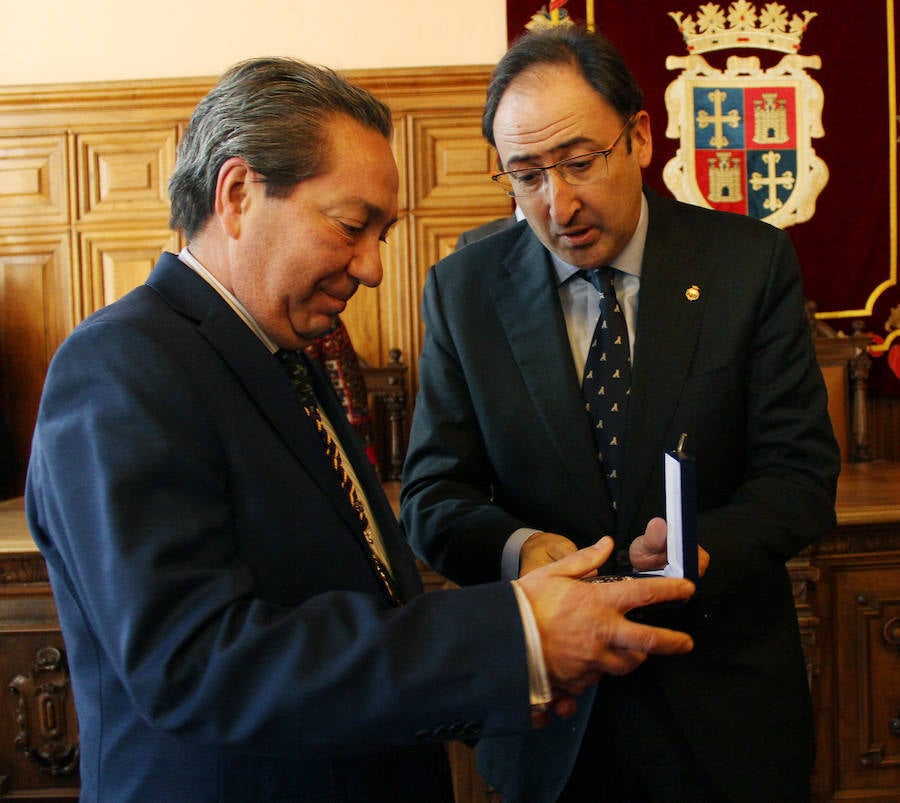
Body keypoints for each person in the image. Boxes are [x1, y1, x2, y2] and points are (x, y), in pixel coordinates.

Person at [24, 57, 699, 803]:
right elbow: (198, 663)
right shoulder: (122, 365)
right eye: (353, 226)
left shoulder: (282, 356)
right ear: (240, 194)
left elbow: (362, 596)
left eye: (382, 232)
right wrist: (513, 634)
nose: (375, 267)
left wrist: (506, 678)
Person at [400, 26, 841, 803]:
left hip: (722, 711)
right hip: (551, 721)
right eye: (526, 175)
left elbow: (799, 477)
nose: (556, 204)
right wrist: (524, 547)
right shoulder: (462, 291)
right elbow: (433, 497)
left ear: (638, 136)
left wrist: (700, 547)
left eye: (578, 163)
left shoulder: (747, 265)